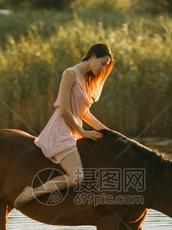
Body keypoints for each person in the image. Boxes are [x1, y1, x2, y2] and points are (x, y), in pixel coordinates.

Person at [13, 43, 114, 209]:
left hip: (72, 130)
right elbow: (64, 111)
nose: (103, 69)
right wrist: (83, 132)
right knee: (77, 178)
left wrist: (108, 132)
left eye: (106, 66)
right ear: (93, 56)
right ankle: (31, 193)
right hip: (61, 130)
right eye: (103, 63)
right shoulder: (70, 74)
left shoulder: (86, 80)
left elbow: (84, 113)